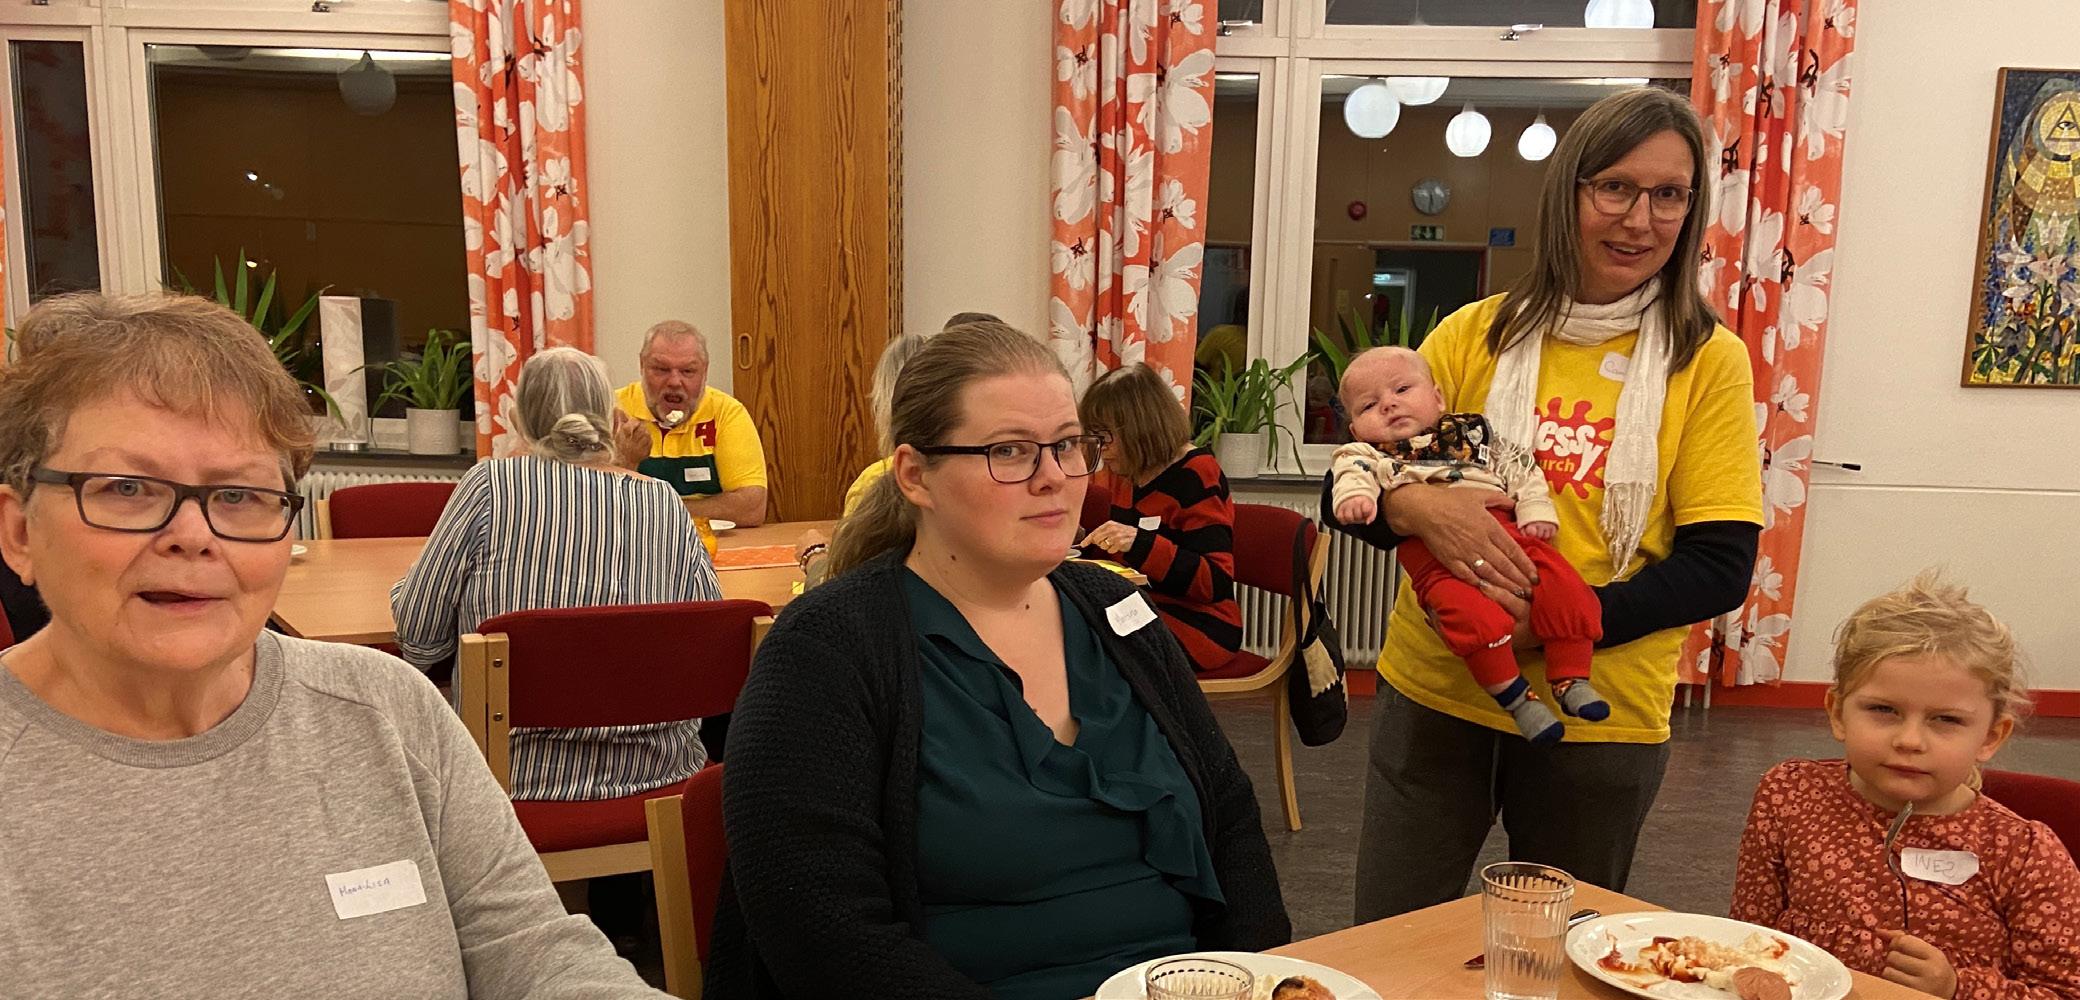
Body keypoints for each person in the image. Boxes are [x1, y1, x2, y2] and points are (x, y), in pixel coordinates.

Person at [0, 292, 664, 997]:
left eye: (239, 495)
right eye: (127, 487)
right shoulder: (653, 499)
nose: (192, 536)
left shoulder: (389, 709)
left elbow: (534, 952)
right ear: (18, 533)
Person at [707, 322, 1289, 999]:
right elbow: (823, 931)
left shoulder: (1116, 612)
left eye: (1068, 445)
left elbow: (1230, 815)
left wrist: (1258, 980)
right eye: (1009, 451)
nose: (1055, 479)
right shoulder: (828, 648)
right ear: (915, 475)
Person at [1326, 87, 1765, 922]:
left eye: (1669, 195)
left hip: (1602, 711)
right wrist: (1417, 511)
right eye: (1616, 187)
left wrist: (1559, 623)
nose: (1640, 220)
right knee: (1391, 934)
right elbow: (1355, 480)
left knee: (1556, 951)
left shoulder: (1709, 360)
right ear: (1568, 193)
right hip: (1438, 691)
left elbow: (1719, 567)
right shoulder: (1474, 334)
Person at [392, 346, 724, 802]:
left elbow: (419, 640)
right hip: (661, 774)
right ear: (611, 418)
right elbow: (706, 636)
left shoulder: (489, 486)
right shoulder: (663, 500)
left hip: (509, 779)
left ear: (520, 418)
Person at [1732, 574, 2080, 999]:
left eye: (1946, 719)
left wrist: (1957, 987)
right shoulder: (1790, 794)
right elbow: (1749, 937)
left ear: (1991, 736)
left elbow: (2063, 992)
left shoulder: (2023, 855)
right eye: (1884, 710)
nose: (1910, 740)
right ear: (1838, 713)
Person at [1330, 346, 1605, 744]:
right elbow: (1350, 477)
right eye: (1369, 405)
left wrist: (1535, 510)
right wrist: (1357, 499)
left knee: (1565, 585)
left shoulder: (1472, 435)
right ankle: (1515, 697)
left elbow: (1520, 469)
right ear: (1356, 430)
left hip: (1513, 538)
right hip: (1436, 564)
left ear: (1438, 398)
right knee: (1469, 618)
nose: (1388, 404)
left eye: (1402, 390)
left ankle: (1571, 677)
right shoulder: (1366, 454)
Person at [1076, 362, 1244, 675]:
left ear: (1139, 429)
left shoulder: (1196, 474)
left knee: (1090, 646)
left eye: (1105, 436)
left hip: (1201, 625)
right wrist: (1082, 542)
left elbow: (1215, 582)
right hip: (1144, 606)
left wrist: (1140, 542)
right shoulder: (1129, 471)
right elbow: (1123, 563)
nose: (1101, 449)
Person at [610, 320, 769, 525]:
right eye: (661, 369)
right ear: (642, 365)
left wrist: (656, 508)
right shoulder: (612, 411)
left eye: (688, 371)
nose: (674, 382)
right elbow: (597, 505)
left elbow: (751, 508)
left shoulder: (726, 412)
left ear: (705, 371)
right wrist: (625, 461)